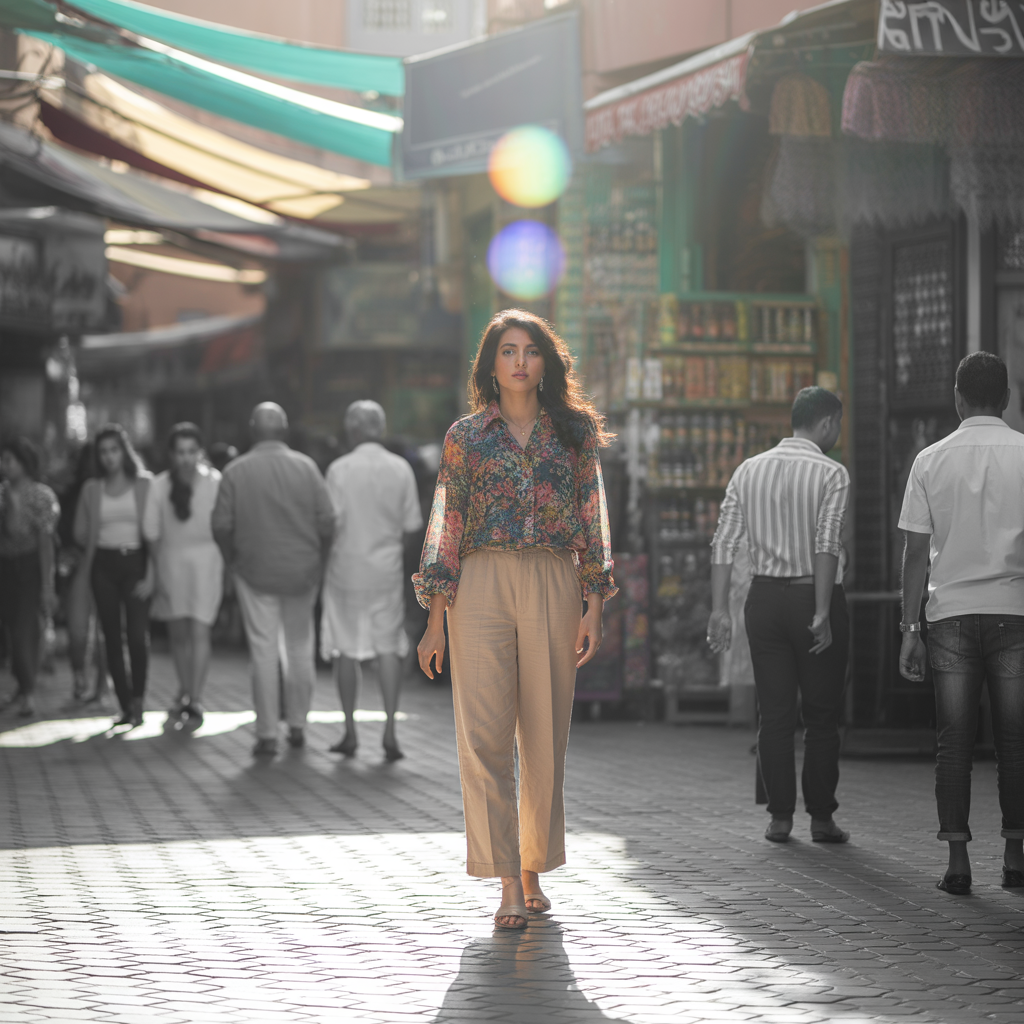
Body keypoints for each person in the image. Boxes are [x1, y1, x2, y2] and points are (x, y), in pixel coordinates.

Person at [414, 309, 615, 930]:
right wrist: (434, 618)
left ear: (545, 363)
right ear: (491, 364)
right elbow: (447, 524)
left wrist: (595, 603)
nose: (520, 361)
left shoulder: (573, 433)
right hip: (480, 583)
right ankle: (505, 881)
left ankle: (533, 866)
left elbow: (593, 517)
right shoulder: (466, 437)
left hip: (555, 578)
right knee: (484, 736)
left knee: (546, 734)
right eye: (508, 350)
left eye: (531, 350)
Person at [898, 352, 1024, 896]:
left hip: (947, 614)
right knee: (1014, 740)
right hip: (1014, 610)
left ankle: (958, 862)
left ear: (956, 397)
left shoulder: (929, 460)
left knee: (953, 741)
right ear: (1007, 397)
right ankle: (1016, 855)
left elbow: (914, 552)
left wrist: (909, 629)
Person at [707, 387, 850, 845]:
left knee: (774, 713)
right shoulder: (833, 472)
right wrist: (824, 611)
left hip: (763, 601)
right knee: (822, 714)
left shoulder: (748, 471)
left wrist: (719, 610)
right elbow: (827, 541)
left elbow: (724, 542)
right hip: (813, 595)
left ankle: (780, 818)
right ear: (827, 423)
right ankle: (822, 819)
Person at [211, 403, 336, 757]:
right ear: (283, 430)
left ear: (253, 430)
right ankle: (297, 725)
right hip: (303, 572)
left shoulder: (235, 472)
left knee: (263, 650)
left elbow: (220, 525)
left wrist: (232, 561)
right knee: (299, 649)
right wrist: (320, 561)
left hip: (254, 571)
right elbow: (328, 521)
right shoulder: (306, 468)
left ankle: (266, 733)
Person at [321, 401, 423, 760]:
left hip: (345, 569)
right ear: (379, 429)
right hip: (386, 571)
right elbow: (412, 527)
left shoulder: (338, 469)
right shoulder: (400, 469)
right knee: (388, 648)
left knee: (346, 650)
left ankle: (350, 732)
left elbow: (329, 523)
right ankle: (390, 733)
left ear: (351, 430)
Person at [143, 423, 223, 726]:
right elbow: (151, 531)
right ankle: (185, 690)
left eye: (192, 451)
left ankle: (195, 698)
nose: (186, 458)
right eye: (180, 452)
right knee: (178, 634)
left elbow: (224, 524)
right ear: (172, 455)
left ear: (200, 452)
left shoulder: (215, 481)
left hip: (208, 561)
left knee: (200, 630)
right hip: (170, 562)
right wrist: (157, 568)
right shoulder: (159, 485)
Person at [73, 424, 153, 728]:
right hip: (103, 565)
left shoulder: (144, 483)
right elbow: (80, 532)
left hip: (136, 562)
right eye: (103, 452)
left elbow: (156, 534)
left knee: (136, 634)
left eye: (114, 450)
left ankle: (139, 699)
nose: (109, 457)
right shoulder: (92, 489)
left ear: (125, 451)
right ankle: (124, 704)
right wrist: (96, 536)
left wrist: (153, 573)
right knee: (110, 638)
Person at [0, 437, 59, 717]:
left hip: (30, 568)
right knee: (11, 632)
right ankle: (23, 688)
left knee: (25, 631)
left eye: (9, 460)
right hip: (5, 569)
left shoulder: (41, 495)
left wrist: (48, 585)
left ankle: (29, 693)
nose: (4, 466)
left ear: (23, 462)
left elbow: (45, 542)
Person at [58, 443, 108, 704]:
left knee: (107, 630)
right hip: (81, 566)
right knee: (78, 628)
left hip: (110, 565)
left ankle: (101, 685)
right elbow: (64, 532)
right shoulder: (74, 493)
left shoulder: (116, 489)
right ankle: (80, 676)